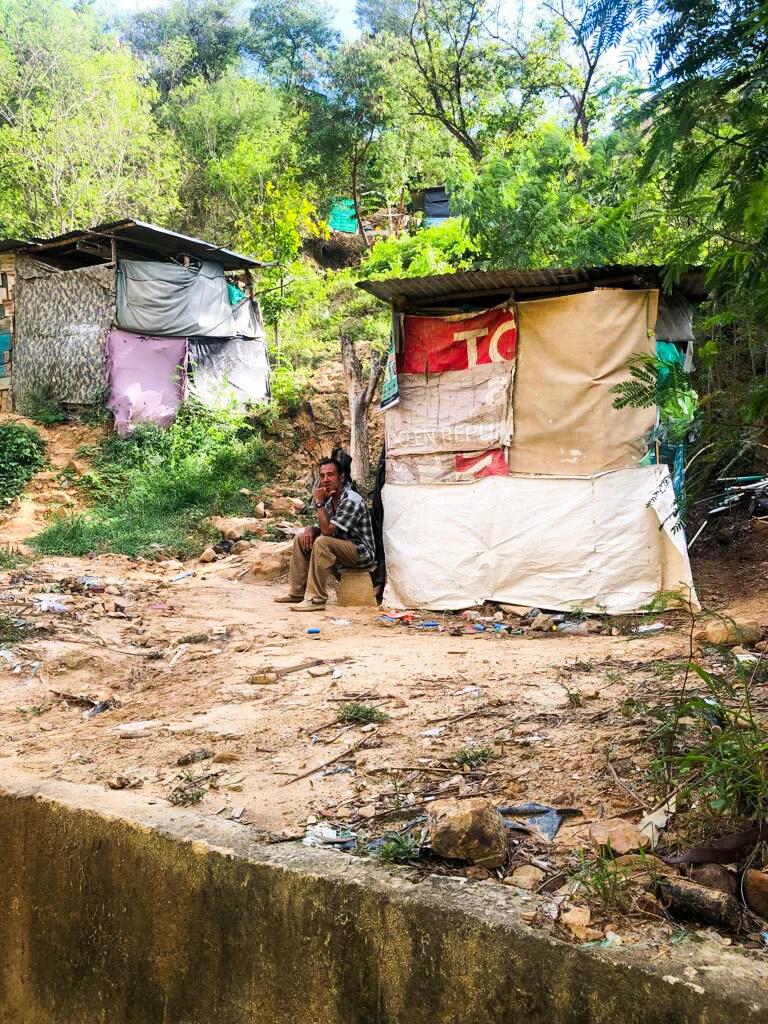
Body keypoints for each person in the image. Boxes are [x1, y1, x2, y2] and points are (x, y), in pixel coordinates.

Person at [275, 455, 376, 611]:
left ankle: (317, 599)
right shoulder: (331, 500)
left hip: (361, 553)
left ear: (341, 477)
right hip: (342, 548)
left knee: (322, 542)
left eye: (331, 475)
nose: (326, 479)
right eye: (322, 476)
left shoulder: (351, 500)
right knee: (301, 538)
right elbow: (322, 526)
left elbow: (327, 531)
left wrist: (319, 503)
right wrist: (310, 528)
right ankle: (297, 592)